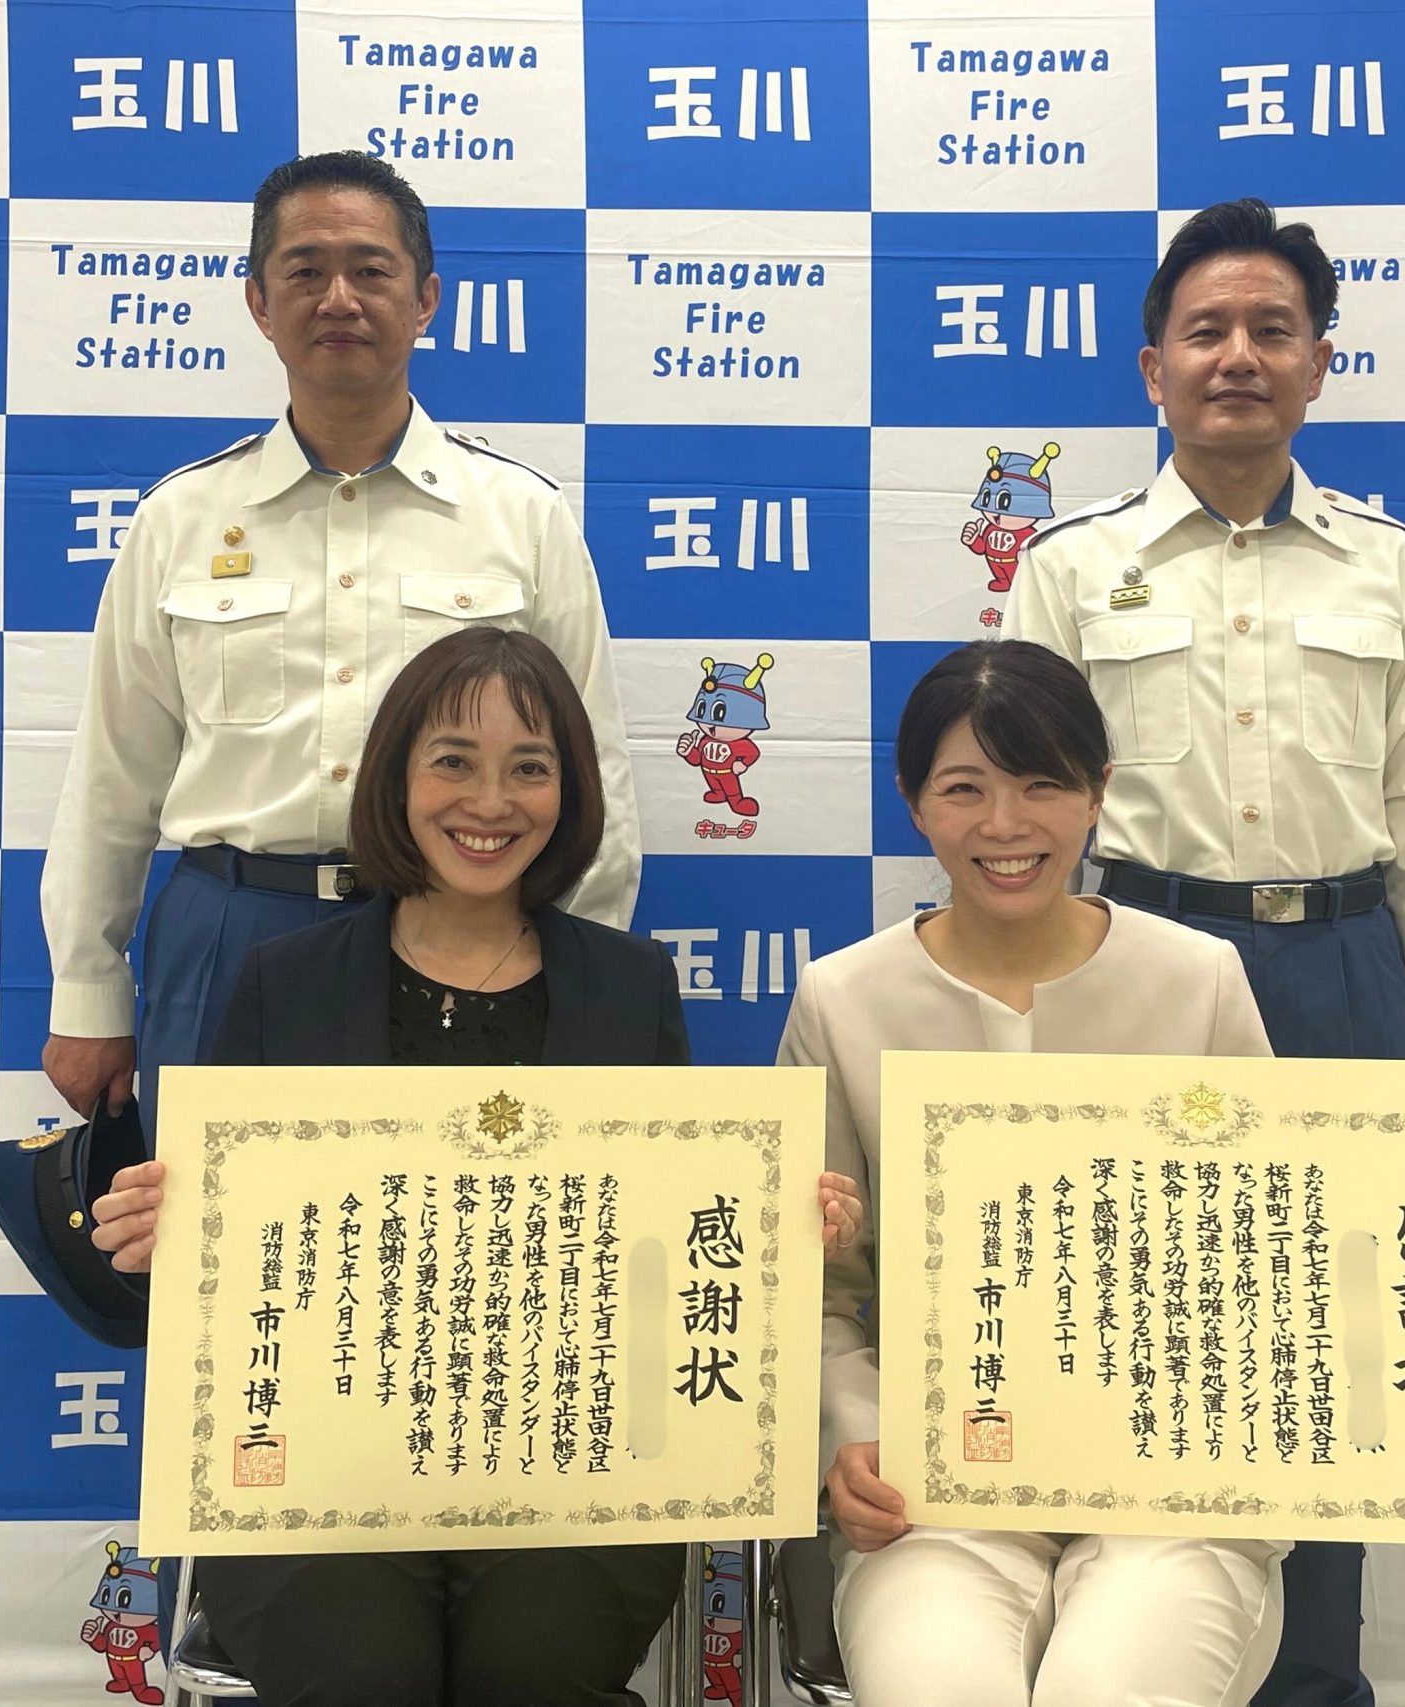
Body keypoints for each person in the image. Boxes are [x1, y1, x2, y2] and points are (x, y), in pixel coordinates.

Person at [788, 642, 1405, 1707]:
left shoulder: (1196, 975)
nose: (1004, 824)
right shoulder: (842, 997)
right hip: (941, 1493)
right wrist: (853, 1435)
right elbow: (819, 1291)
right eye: (964, 789)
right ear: (912, 801)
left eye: (1042, 785)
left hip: (1178, 1485)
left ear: (1098, 794)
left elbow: (1288, 1242)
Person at [80, 629, 862, 1707]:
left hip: (573, 1458)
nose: (490, 802)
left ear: (569, 792)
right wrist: (158, 1232)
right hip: (324, 1461)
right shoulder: (284, 982)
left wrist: (775, 1230)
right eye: (453, 761)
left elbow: (661, 1249)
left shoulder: (628, 986)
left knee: (529, 1671)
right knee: (364, 1677)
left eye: (528, 768)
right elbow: (232, 1256)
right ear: (395, 778)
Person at [1003, 199, 1405, 1707]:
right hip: (1134, 974)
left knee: (1329, 1362)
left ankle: (1311, 1678)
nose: (1238, 357)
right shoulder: (1073, 566)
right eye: (1205, 331)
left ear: (1319, 363)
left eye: (1272, 330)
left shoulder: (1392, 568)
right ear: (1152, 368)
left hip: (1339, 974)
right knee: (1124, 1336)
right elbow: (1023, 816)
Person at [40, 150, 640, 1130]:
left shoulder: (521, 517)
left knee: (442, 1219)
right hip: (232, 929)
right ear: (258, 302)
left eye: (370, 270)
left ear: (426, 299)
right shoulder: (180, 519)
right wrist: (86, 990)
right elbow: (113, 774)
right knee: (224, 1224)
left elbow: (592, 774)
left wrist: (583, 973)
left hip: (463, 934)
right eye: (305, 271)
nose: (339, 299)